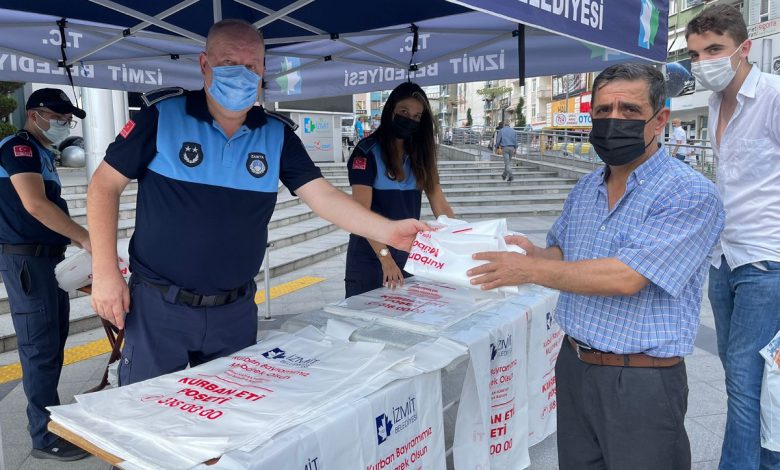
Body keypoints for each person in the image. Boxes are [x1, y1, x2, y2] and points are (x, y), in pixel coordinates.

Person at [86, 19, 426, 386]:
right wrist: (106, 273)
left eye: (252, 66)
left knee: (227, 420)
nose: (243, 74)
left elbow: (324, 197)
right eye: (230, 63)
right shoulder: (162, 116)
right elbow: (103, 186)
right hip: (158, 307)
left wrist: (389, 231)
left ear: (264, 69)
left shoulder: (276, 134)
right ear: (205, 64)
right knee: (144, 417)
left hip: (234, 312)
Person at [468, 63, 724, 469]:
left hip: (642, 380)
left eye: (628, 110)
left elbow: (626, 277)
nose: (613, 120)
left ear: (660, 120)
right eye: (603, 111)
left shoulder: (689, 193)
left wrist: (530, 272)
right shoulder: (587, 188)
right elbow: (563, 254)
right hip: (574, 366)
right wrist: (533, 256)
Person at [686, 5, 780, 469]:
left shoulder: (775, 96)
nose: (704, 61)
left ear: (744, 49)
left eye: (715, 50)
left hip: (766, 260)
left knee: (745, 383)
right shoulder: (715, 101)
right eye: (696, 53)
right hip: (724, 258)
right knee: (744, 379)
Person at [0, 89, 91, 461]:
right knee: (39, 348)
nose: (63, 123)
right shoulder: (18, 148)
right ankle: (43, 436)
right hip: (27, 263)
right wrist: (85, 237)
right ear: (34, 114)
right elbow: (34, 205)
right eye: (58, 117)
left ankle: (51, 420)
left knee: (52, 344)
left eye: (67, 119)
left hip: (47, 261)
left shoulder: (41, 153)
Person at [345, 82, 453, 297]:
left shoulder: (420, 155)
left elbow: (440, 204)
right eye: (404, 112)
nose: (410, 119)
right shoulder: (366, 153)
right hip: (371, 255)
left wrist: (461, 240)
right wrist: (386, 258)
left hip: (407, 253)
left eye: (416, 116)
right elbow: (360, 215)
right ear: (390, 110)